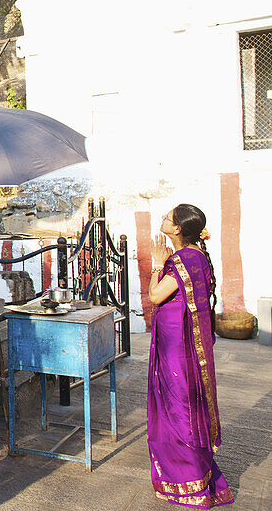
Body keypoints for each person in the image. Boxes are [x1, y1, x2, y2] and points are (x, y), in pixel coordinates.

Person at [147, 203, 233, 507]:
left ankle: (188, 480)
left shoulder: (183, 259)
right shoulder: (196, 256)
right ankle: (192, 475)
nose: (163, 219)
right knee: (183, 405)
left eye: (168, 218)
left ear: (178, 228)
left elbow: (155, 296)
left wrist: (158, 264)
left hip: (177, 349)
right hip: (182, 346)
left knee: (178, 407)